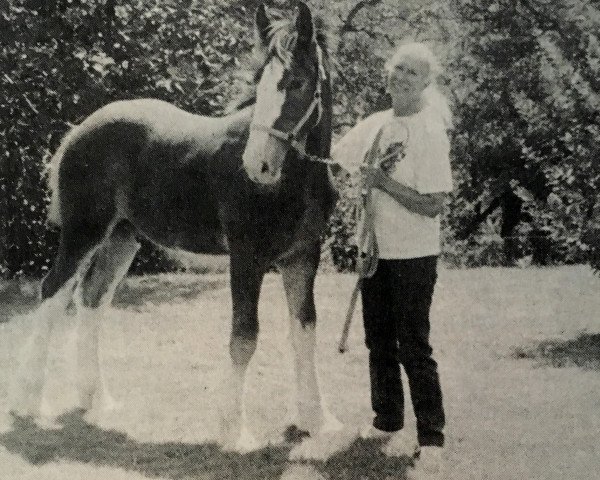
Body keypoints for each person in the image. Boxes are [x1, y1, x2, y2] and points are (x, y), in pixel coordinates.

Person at [331, 42, 452, 479]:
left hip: (414, 255)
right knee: (378, 341)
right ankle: (387, 420)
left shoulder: (430, 130)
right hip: (374, 251)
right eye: (398, 68)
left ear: (426, 82)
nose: (401, 77)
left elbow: (435, 203)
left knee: (413, 346)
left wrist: (382, 183)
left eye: (413, 73)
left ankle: (431, 437)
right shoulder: (377, 124)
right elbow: (336, 158)